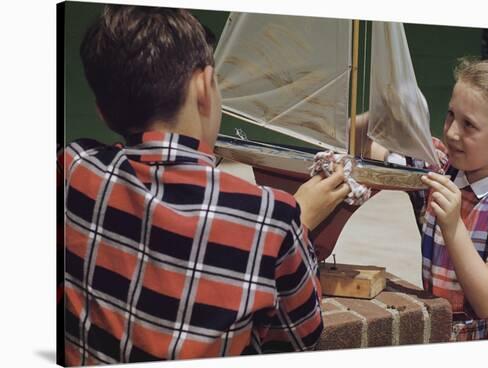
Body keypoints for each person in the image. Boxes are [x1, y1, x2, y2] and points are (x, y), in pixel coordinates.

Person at [61, 5, 350, 365]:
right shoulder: (271, 218)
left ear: (102, 111)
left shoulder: (72, 168)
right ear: (204, 85)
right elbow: (299, 337)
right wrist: (298, 223)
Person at [359, 58, 488, 340]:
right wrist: (379, 114)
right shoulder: (438, 165)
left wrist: (452, 227)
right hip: (439, 334)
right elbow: (363, 148)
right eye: (451, 115)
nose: (452, 132)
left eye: (469, 125)